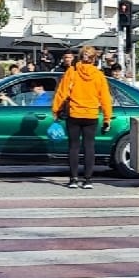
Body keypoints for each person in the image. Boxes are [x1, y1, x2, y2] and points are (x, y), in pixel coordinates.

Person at [53, 45, 113, 189]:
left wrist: (56, 111)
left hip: (74, 113)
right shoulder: (99, 76)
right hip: (91, 114)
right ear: (94, 59)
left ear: (79, 58)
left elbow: (62, 93)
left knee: (73, 147)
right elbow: (105, 98)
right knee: (89, 147)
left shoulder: (72, 72)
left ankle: (73, 179)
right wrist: (107, 118)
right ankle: (88, 180)